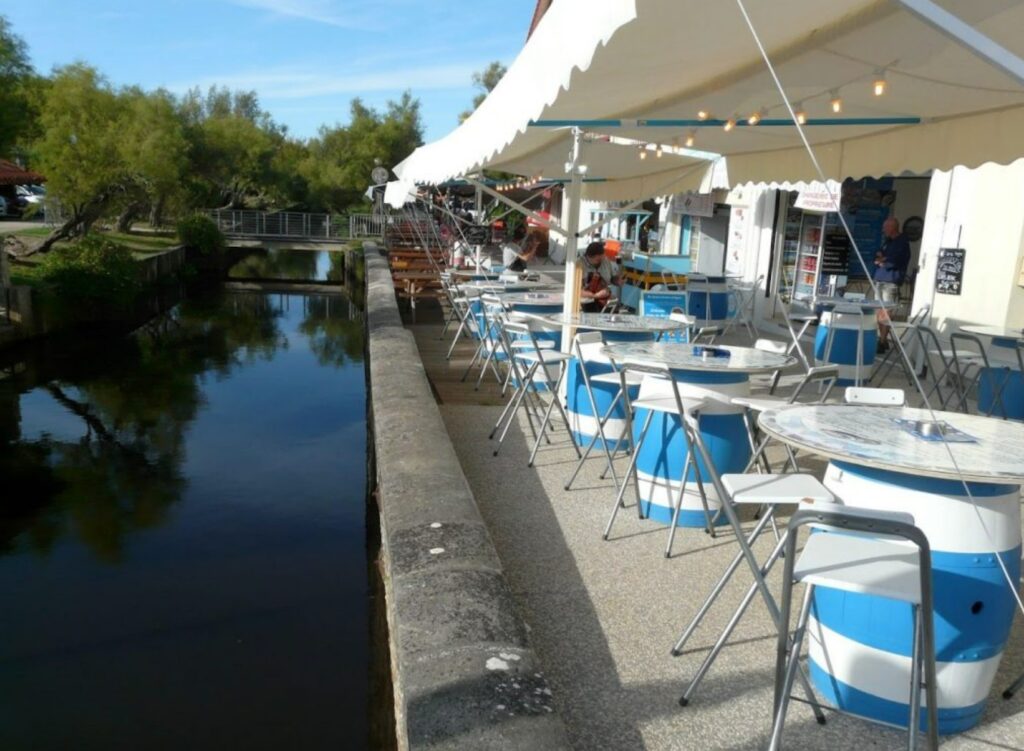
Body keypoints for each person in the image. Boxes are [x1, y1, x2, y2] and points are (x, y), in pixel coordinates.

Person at [873, 216, 911, 352]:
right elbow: (877, 255)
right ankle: (881, 338)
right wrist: (881, 258)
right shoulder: (887, 241)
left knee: (886, 312)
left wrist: (884, 260)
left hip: (891, 280)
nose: (883, 230)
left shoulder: (902, 242)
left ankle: (882, 341)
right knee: (878, 311)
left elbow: (895, 260)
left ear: (892, 228)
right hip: (879, 278)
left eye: (886, 227)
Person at [580, 240, 622, 312]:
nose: (601, 262)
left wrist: (618, 281)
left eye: (602, 258)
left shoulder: (605, 261)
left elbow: (612, 278)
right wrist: (596, 296)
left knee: (614, 313)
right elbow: (576, 290)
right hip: (586, 303)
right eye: (598, 260)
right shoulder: (579, 266)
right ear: (588, 257)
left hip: (605, 300)